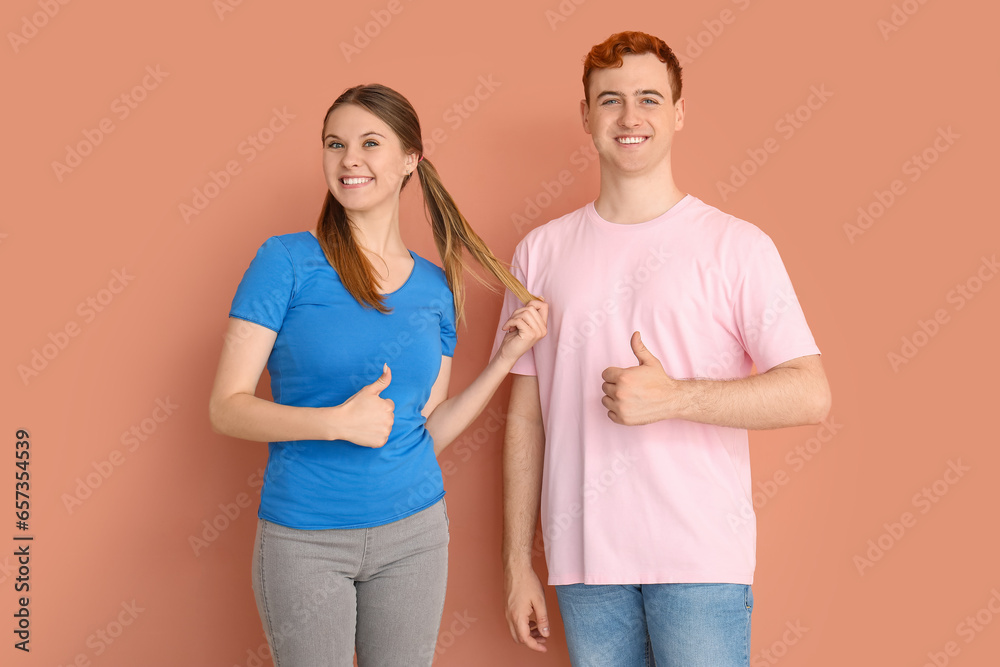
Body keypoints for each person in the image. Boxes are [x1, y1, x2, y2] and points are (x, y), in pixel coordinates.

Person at [495, 31, 831, 667]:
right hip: (584, 565)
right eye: (611, 100)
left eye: (650, 98)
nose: (630, 117)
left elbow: (811, 392)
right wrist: (518, 563)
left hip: (700, 561)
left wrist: (677, 397)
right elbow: (524, 415)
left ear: (679, 112)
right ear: (586, 116)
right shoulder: (538, 254)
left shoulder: (736, 246)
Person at [209, 83, 548, 667]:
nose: (349, 160)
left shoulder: (434, 287)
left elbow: (429, 428)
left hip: (415, 534)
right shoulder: (285, 261)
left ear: (410, 160)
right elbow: (226, 407)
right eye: (334, 144)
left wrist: (503, 362)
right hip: (306, 539)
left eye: (370, 142)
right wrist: (335, 422)